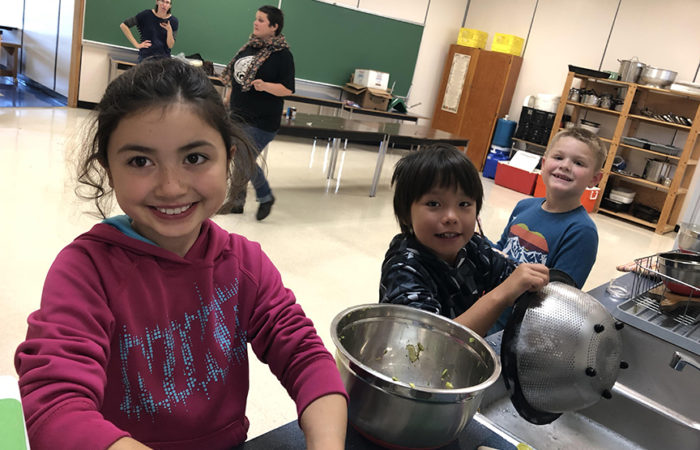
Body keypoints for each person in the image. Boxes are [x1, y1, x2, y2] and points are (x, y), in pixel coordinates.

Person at [14, 58, 347, 450]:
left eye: (194, 158)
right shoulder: (85, 271)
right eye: (140, 161)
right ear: (109, 168)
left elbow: (305, 356)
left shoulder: (245, 264)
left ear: (229, 158)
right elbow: (54, 408)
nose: (171, 187)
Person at [379, 144, 549, 337]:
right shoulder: (402, 269)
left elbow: (510, 274)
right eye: (434, 204)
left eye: (464, 204)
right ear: (405, 214)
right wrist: (501, 295)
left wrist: (529, 279)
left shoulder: (473, 248)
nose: (451, 217)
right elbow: (428, 342)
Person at [490, 127, 606, 331]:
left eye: (578, 163)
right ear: (543, 164)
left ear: (594, 179)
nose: (565, 166)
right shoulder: (523, 207)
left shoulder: (581, 232)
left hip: (518, 331)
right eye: (558, 157)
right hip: (490, 310)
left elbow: (558, 300)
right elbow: (501, 250)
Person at [221, 5, 295, 221]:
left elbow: (287, 89)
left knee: (243, 158)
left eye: (261, 20)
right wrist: (227, 99)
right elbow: (238, 78)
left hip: (262, 121)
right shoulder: (249, 47)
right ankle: (237, 202)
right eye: (256, 18)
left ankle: (265, 196)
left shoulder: (282, 55)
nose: (255, 23)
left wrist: (265, 86)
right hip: (238, 113)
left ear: (274, 27)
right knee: (239, 157)